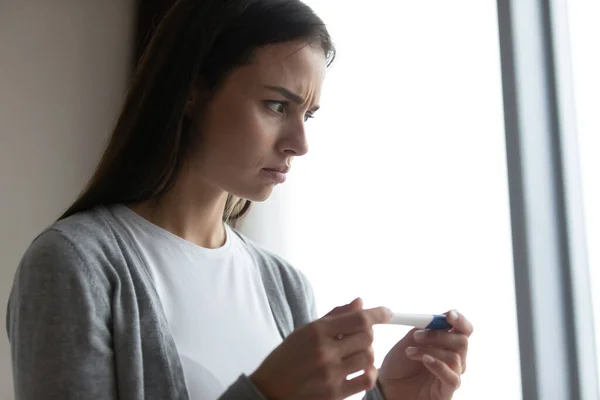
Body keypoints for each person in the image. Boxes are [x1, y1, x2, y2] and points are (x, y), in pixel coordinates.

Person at [6, 0, 473, 399]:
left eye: (307, 114)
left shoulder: (285, 287)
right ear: (192, 88)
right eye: (277, 105)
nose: (299, 142)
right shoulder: (74, 265)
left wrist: (387, 395)